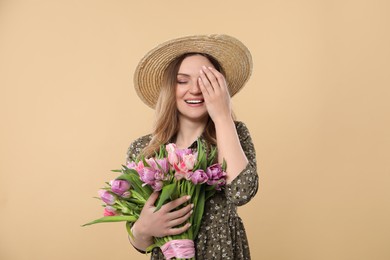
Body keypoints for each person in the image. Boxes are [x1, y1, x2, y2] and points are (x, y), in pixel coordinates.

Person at [126, 34, 258, 260]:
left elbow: (241, 192)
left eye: (206, 81)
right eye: (182, 80)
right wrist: (143, 228)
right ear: (169, 87)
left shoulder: (234, 134)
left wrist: (223, 115)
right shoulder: (144, 149)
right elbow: (140, 242)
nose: (195, 90)